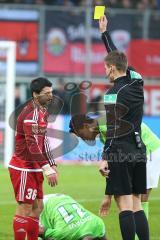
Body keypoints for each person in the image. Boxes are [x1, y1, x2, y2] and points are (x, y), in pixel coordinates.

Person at [98, 15, 149, 240]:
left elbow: (112, 130)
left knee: (124, 204)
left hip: (120, 149)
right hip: (139, 149)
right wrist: (104, 34)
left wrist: (104, 156)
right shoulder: (137, 82)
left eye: (105, 68)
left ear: (111, 68)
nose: (104, 72)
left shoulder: (112, 95)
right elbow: (120, 59)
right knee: (137, 204)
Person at [69, 114, 160, 221]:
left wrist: (107, 196)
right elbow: (113, 161)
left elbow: (115, 162)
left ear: (86, 126)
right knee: (132, 198)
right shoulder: (103, 131)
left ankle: (139, 236)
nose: (83, 139)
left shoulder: (108, 126)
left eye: (81, 135)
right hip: (137, 153)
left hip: (149, 150)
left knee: (140, 198)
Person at [8, 77, 58, 240]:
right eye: (47, 93)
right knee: (25, 207)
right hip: (24, 167)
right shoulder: (30, 112)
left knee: (38, 207)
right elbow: (32, 143)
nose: (51, 96)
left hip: (35, 167)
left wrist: (52, 163)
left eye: (52, 92)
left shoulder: (42, 111)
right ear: (36, 94)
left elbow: (44, 140)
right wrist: (47, 168)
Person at [38, 193, 107, 240]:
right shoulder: (65, 234)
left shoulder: (99, 224)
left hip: (63, 198)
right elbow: (40, 230)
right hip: (44, 205)